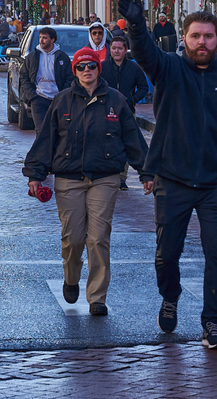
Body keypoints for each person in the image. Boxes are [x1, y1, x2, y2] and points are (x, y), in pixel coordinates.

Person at [119, 0, 217, 348]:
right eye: (195, 36)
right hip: (172, 180)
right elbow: (144, 52)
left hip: (216, 184)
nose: (202, 42)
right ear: (185, 37)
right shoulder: (168, 68)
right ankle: (170, 296)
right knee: (167, 255)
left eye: (208, 36)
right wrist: (136, 24)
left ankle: (212, 324)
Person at [24, 47, 147, 316]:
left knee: (99, 237)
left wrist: (147, 173)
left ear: (98, 69)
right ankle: (71, 278)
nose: (86, 70)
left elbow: (132, 138)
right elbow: (46, 139)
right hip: (69, 179)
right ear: (75, 71)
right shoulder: (62, 101)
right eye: (81, 66)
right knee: (73, 238)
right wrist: (35, 173)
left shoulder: (116, 100)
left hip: (105, 178)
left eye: (91, 65)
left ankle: (97, 297)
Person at [99, 35, 149, 190]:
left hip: (127, 111)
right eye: (113, 48)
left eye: (119, 48)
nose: (116, 51)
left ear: (125, 49)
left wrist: (132, 99)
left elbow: (143, 87)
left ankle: (121, 177)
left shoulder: (134, 68)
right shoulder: (103, 67)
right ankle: (106, 174)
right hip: (105, 111)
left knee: (126, 143)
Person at [17, 27, 71, 133]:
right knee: (41, 131)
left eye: (45, 38)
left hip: (57, 100)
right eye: (40, 37)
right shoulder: (32, 57)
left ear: (52, 40)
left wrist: (62, 94)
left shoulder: (62, 57)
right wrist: (32, 96)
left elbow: (69, 77)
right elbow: (24, 76)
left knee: (57, 130)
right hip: (39, 99)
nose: (41, 40)